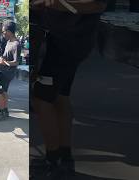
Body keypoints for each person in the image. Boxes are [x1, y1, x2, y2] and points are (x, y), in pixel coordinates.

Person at [31, 0, 107, 179]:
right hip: (66, 39)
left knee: (41, 99)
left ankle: (53, 162)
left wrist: (51, 4)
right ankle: (64, 157)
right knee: (60, 97)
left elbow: (98, 5)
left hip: (68, 43)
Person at [0, 20, 21, 121]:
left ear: (9, 31)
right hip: (4, 71)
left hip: (8, 73)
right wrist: (0, 60)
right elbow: (5, 57)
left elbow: (16, 62)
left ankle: (2, 111)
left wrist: (5, 63)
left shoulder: (16, 44)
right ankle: (5, 110)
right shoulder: (8, 42)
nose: (3, 33)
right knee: (3, 91)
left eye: (4, 31)